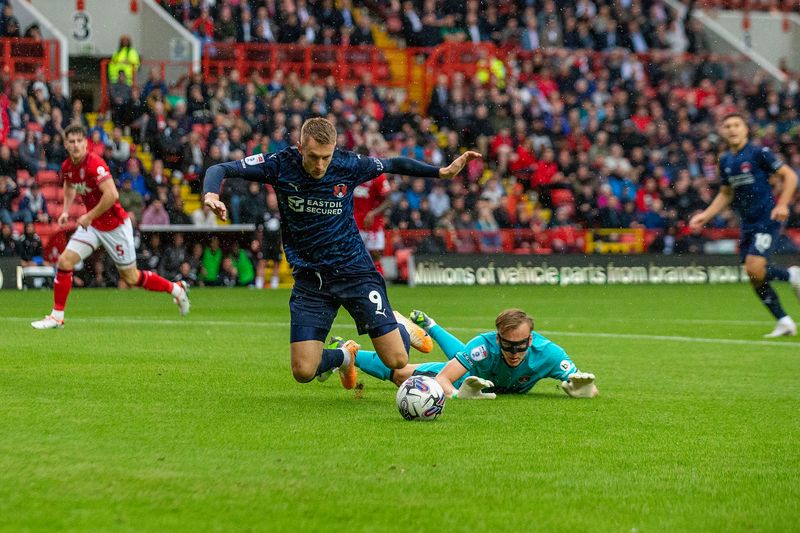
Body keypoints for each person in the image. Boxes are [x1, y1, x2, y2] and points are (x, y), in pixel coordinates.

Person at [202, 117, 481, 387]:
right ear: (300, 147)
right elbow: (220, 169)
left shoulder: (349, 164)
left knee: (397, 359)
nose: (320, 164)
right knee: (303, 371)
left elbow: (394, 163)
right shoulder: (279, 164)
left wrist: (441, 172)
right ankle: (347, 355)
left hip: (354, 271)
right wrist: (211, 195)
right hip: (311, 280)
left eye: (326, 156)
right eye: (313, 156)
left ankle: (400, 325)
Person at [31, 124, 190, 329]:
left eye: (79, 140)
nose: (76, 145)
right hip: (93, 226)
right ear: (66, 145)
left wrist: (88, 215)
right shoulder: (68, 167)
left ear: (86, 143)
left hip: (116, 227)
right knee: (64, 261)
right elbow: (69, 184)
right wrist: (65, 210)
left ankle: (176, 289)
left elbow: (112, 195)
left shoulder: (94, 164)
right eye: (71, 141)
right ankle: (57, 317)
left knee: (131, 277)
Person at [689, 112, 800, 338]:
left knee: (754, 267)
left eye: (736, 125)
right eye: (727, 125)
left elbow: (790, 176)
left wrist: (784, 205)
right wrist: (706, 215)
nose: (732, 129)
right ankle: (784, 321)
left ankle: (793, 276)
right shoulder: (725, 160)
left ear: (745, 129)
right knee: (754, 276)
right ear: (722, 131)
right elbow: (726, 193)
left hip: (767, 217)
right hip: (747, 222)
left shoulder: (759, 153)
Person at [350, 309, 598, 400]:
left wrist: (583, 390)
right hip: (465, 375)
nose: (514, 353)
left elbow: (586, 385)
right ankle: (347, 354)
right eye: (507, 345)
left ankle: (430, 325)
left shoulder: (548, 353)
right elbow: (443, 380)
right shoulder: (484, 346)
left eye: (520, 345)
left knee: (465, 354)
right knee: (401, 374)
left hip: (476, 363)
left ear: (531, 339)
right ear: (498, 338)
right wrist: (460, 395)